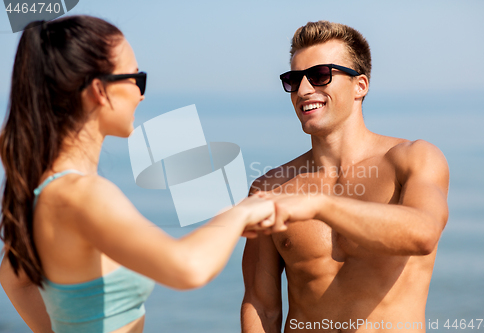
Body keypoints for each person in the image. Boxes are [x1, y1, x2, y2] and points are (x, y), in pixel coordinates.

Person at [0, 16, 285, 333]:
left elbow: (14, 279)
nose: (141, 94)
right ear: (100, 91)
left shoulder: (47, 190)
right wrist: (240, 213)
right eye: (137, 79)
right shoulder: (83, 194)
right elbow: (187, 268)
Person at [241, 21, 449, 332]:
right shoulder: (270, 187)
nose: (303, 89)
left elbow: (423, 234)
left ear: (360, 85)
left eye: (320, 76)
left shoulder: (412, 159)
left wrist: (321, 205)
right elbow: (262, 305)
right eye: (293, 79)